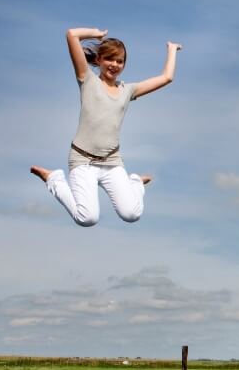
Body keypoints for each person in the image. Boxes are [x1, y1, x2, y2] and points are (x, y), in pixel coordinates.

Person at [30, 28, 182, 226]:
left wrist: (171, 50)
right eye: (110, 59)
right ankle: (54, 179)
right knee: (87, 218)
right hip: (82, 160)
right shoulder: (87, 79)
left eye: (120, 61)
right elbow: (71, 35)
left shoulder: (128, 90)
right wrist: (96, 35)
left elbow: (166, 78)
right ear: (99, 60)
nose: (115, 65)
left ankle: (134, 182)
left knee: (131, 214)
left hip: (112, 161)